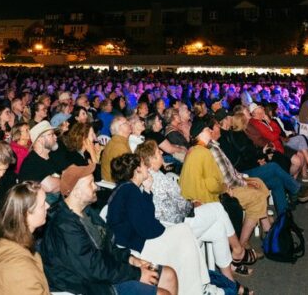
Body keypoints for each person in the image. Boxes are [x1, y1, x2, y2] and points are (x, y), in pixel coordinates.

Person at [41, 164, 178, 295]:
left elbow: (109, 247)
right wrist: (137, 273)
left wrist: (131, 259)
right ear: (76, 193)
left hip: (108, 272)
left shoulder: (87, 213)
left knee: (169, 275)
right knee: (161, 293)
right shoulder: (64, 226)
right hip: (90, 285)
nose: (96, 187)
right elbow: (93, 268)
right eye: (90, 183)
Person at [137, 139, 255, 281]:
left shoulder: (153, 175)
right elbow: (178, 209)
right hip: (175, 228)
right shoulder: (157, 180)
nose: (161, 152)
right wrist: (192, 204)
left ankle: (229, 279)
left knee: (218, 229)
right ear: (151, 159)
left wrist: (190, 202)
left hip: (176, 222)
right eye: (158, 152)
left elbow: (174, 203)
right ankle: (238, 250)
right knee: (218, 208)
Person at [107, 153, 213, 294]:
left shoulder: (127, 189)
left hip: (133, 242)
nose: (148, 168)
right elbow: (149, 229)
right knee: (183, 232)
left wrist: (147, 190)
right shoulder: (130, 191)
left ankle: (196, 288)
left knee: (183, 233)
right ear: (137, 170)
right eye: (144, 165)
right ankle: (197, 288)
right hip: (132, 249)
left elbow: (146, 220)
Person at [180, 118, 271, 248]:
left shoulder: (195, 150)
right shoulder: (205, 152)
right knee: (257, 197)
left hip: (196, 199)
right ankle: (241, 245)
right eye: (207, 130)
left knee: (258, 183)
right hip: (208, 200)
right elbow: (213, 184)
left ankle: (265, 226)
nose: (210, 131)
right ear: (200, 134)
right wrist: (225, 188)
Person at [0, 181, 51, 294]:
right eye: (43, 204)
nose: (48, 206)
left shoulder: (1, 242)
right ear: (27, 214)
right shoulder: (19, 268)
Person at [17, 121, 67, 194]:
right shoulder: (30, 163)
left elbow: (69, 171)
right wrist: (67, 179)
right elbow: (50, 187)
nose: (56, 137)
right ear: (40, 139)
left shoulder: (54, 155)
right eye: (51, 134)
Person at [100, 116, 132, 182]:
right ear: (120, 128)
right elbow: (127, 171)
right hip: (114, 184)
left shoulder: (119, 141)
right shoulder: (118, 146)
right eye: (126, 123)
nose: (130, 123)